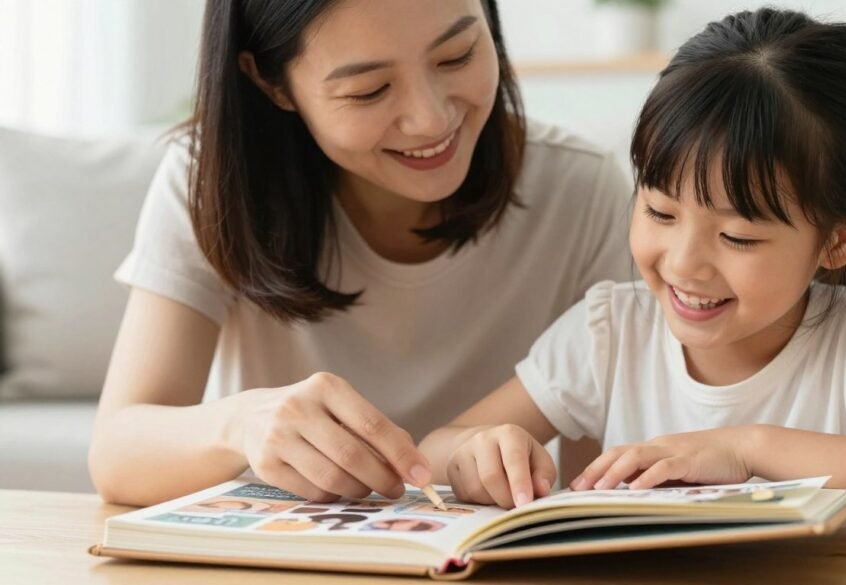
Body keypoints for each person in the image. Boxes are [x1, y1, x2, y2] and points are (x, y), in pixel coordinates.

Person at [419, 8, 846, 540]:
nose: (683, 263)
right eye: (659, 211)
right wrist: (478, 451)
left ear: (843, 238)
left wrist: (746, 446)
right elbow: (435, 449)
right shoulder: (610, 331)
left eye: (737, 236)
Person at [88, 0, 632, 507]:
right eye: (369, 90)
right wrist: (243, 425)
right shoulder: (212, 183)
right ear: (271, 82)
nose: (430, 119)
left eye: (457, 55)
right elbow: (116, 451)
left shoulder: (579, 190)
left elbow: (604, 491)